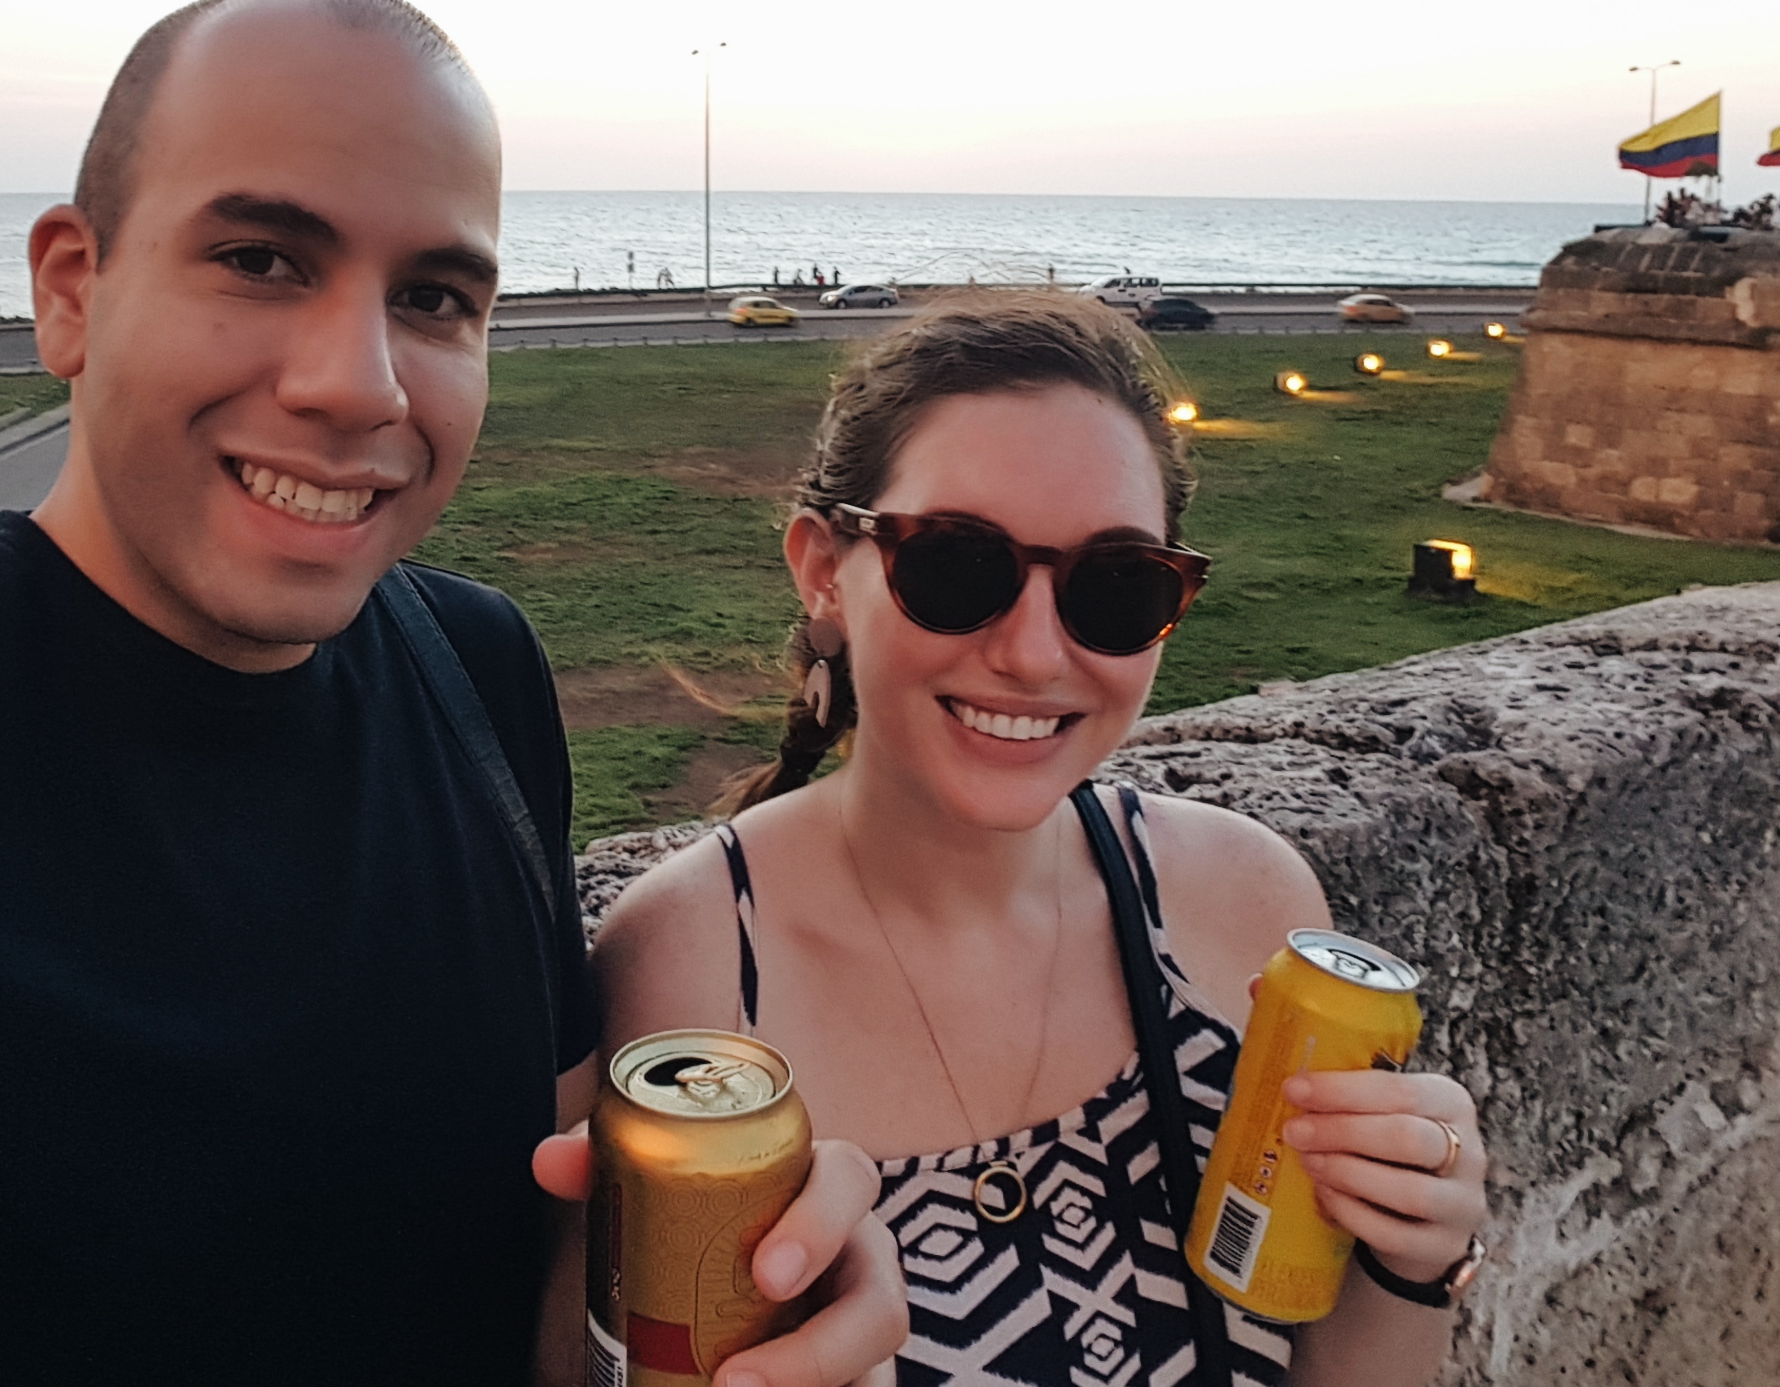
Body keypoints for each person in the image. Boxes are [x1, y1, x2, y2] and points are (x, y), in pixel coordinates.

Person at [0, 0, 903, 1386]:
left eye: (435, 296)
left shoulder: (479, 674)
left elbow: (538, 1232)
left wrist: (726, 1295)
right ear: (72, 291)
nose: (361, 385)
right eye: (263, 259)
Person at [593, 294, 1489, 1385]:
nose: (1032, 653)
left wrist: (1414, 1255)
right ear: (826, 567)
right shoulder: (688, 969)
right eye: (959, 565)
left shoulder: (1247, 902)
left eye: (1117, 587)